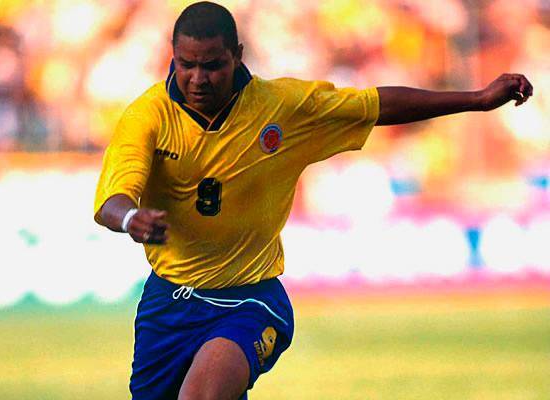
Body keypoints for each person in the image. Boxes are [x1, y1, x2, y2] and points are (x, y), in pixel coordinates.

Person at [93, 2, 533, 399]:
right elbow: (112, 198)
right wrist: (131, 217)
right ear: (174, 57)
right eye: (187, 65)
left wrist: (476, 100)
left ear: (238, 56)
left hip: (250, 298)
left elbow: (374, 105)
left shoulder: (282, 107)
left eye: (212, 65)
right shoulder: (147, 116)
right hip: (168, 303)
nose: (198, 78)